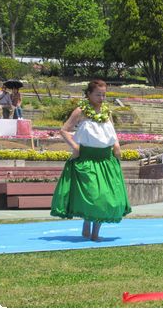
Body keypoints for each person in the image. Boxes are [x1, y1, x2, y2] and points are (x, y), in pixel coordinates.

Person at [50, 79, 132, 241]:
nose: (101, 98)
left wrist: (117, 147)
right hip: (86, 159)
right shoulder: (81, 111)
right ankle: (88, 227)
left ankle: (94, 232)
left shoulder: (107, 112)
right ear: (88, 94)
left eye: (104, 95)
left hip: (106, 159)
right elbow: (64, 130)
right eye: (97, 95)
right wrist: (75, 147)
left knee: (105, 197)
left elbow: (112, 133)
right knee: (94, 195)